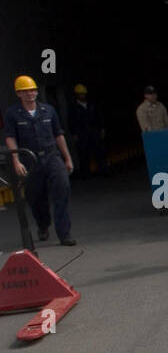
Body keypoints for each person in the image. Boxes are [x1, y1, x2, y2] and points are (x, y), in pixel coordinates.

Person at [3, 75, 76, 245]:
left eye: (33, 90)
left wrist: (67, 158)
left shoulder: (48, 110)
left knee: (62, 188)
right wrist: (16, 160)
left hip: (52, 156)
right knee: (35, 196)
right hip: (29, 159)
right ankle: (43, 224)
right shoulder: (12, 114)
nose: (30, 94)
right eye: (25, 91)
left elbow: (58, 134)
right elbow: (10, 137)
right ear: (18, 94)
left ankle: (64, 234)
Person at [68, 83, 109, 176]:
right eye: (81, 94)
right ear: (77, 95)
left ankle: (103, 170)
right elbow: (71, 121)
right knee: (84, 153)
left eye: (84, 94)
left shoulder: (92, 105)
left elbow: (99, 117)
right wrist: (74, 134)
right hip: (82, 134)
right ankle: (86, 173)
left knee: (99, 151)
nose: (83, 96)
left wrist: (101, 129)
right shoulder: (74, 107)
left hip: (94, 132)